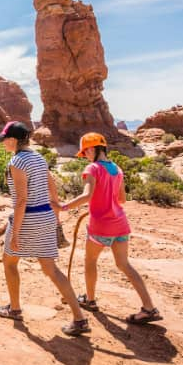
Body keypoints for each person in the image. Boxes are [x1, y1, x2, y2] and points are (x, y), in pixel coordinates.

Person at [0, 121, 90, 336]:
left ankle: (14, 309)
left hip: (28, 218)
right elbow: (50, 183)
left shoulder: (17, 161)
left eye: (4, 139)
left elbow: (21, 200)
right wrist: (56, 212)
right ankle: (79, 318)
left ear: (13, 140)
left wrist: (15, 233)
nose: (3, 143)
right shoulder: (38, 157)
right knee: (50, 269)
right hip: (44, 216)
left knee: (9, 262)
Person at [60, 132, 162, 324]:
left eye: (85, 152)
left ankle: (90, 300)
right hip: (120, 225)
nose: (86, 156)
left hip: (101, 226)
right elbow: (122, 199)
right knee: (124, 265)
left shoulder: (92, 168)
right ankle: (149, 308)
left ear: (92, 148)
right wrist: (105, 201)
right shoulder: (117, 168)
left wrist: (63, 207)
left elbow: (87, 196)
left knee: (90, 261)